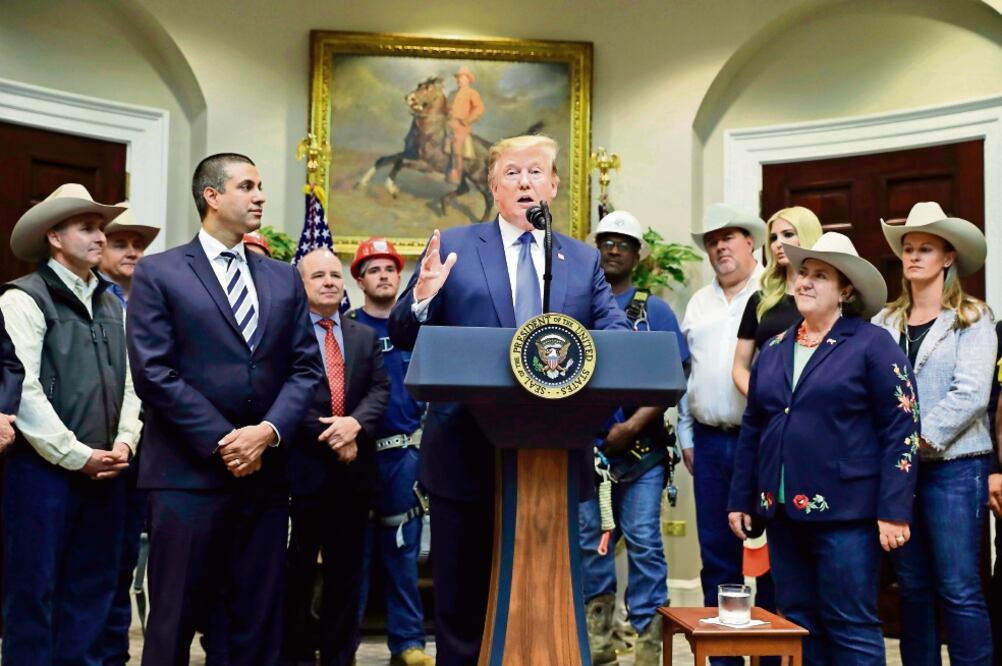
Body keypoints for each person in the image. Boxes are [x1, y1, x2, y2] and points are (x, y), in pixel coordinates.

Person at [389, 134, 629, 666]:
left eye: (536, 172)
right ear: (494, 185)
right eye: (513, 173)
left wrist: (635, 346)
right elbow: (404, 332)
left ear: (554, 186)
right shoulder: (452, 244)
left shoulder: (581, 259)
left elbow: (612, 337)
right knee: (462, 596)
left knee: (546, 593)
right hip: (464, 449)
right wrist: (424, 295)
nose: (525, 183)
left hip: (553, 455)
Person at [127, 153, 324, 666]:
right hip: (186, 477)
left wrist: (267, 433)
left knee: (255, 622)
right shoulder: (159, 272)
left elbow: (306, 369)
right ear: (212, 197)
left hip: (265, 478)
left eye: (260, 186)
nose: (261, 196)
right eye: (247, 186)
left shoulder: (283, 278)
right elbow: (154, 372)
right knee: (173, 621)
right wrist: (226, 440)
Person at [728, 231, 919, 665]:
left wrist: (894, 508)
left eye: (820, 275)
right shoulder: (774, 349)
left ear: (845, 290)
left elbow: (901, 426)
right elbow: (754, 425)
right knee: (797, 620)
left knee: (850, 623)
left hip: (847, 513)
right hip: (781, 511)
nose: (805, 283)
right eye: (802, 273)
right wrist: (742, 497)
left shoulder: (872, 343)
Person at [0, 184, 142, 663]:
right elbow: (24, 388)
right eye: (87, 227)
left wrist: (125, 441)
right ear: (55, 237)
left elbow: (129, 383)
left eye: (101, 226)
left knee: (93, 591)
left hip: (106, 469)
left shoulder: (113, 302)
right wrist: (74, 454)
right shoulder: (23, 299)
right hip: (41, 473)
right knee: (33, 593)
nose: (101, 236)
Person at [873, 201, 996, 665]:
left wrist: (913, 442)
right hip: (901, 474)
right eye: (908, 248)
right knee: (914, 589)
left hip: (956, 468)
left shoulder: (971, 317)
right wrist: (896, 453)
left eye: (926, 248)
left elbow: (971, 395)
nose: (914, 256)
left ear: (948, 258)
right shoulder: (883, 323)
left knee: (959, 587)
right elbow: (874, 395)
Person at [577, 211, 689, 666]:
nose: (614, 249)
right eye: (606, 241)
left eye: (624, 243)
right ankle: (598, 636)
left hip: (642, 451)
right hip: (589, 448)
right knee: (590, 538)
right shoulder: (577, 308)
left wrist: (632, 426)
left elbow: (675, 375)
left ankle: (646, 638)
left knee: (643, 539)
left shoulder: (655, 310)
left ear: (637, 254)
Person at [676, 203, 776, 665]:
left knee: (771, 559)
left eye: (729, 237)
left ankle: (774, 656)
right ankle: (724, 658)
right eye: (712, 240)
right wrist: (686, 434)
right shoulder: (698, 302)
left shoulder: (775, 294)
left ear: (750, 242)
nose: (719, 246)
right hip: (710, 444)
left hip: (762, 444)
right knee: (718, 555)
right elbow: (685, 374)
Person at [283, 248, 390, 666]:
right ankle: (293, 655)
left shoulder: (362, 335)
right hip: (303, 473)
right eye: (318, 276)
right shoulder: (287, 335)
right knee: (298, 572)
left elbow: (381, 390)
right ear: (301, 285)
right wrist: (333, 433)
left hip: (354, 475)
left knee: (347, 575)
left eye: (334, 274)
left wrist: (355, 426)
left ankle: (339, 656)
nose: (329, 281)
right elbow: (285, 393)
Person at [348, 237, 433, 666]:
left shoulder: (415, 330)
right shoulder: (346, 329)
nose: (384, 276)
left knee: (402, 551)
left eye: (390, 269)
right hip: (357, 456)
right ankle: (344, 643)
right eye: (374, 269)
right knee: (353, 555)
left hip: (406, 456)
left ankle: (409, 643)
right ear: (359, 279)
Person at [96, 202, 161, 665]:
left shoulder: (153, 298)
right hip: (98, 446)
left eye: (139, 245)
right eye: (121, 243)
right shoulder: (90, 299)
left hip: (151, 447)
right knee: (94, 560)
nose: (132, 252)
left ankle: (115, 653)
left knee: (126, 562)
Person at [732, 206, 823, 396]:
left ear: (807, 236)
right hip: (770, 415)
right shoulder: (760, 300)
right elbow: (739, 368)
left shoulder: (829, 298)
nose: (778, 244)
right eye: (773, 238)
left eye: (788, 234)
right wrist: (761, 402)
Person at [447, 65, 484, 184]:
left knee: (457, 144)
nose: (459, 80)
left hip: (461, 125)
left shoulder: (472, 93)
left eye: (462, 78)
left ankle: (456, 173)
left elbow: (479, 109)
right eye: (458, 78)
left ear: (468, 79)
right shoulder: (452, 93)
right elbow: (446, 107)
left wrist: (467, 120)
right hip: (448, 123)